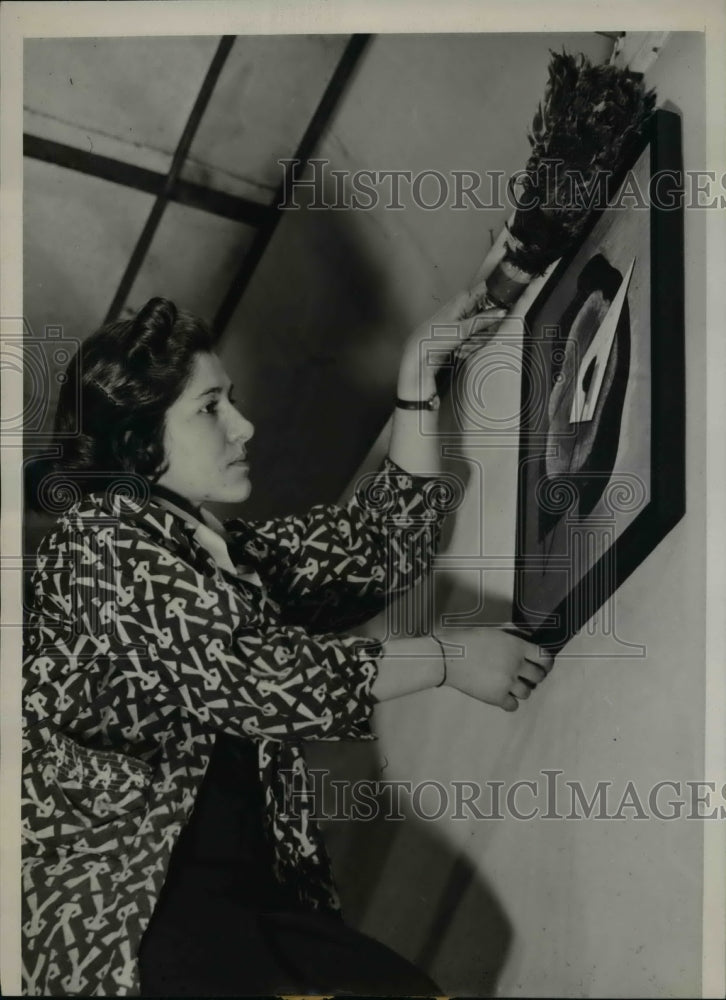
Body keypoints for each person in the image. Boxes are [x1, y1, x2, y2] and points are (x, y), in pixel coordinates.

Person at [21, 294, 553, 996]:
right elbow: (257, 676)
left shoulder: (218, 557)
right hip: (133, 927)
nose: (244, 426)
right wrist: (450, 660)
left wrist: (419, 376)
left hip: (237, 910)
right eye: (210, 408)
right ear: (134, 440)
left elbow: (380, 548)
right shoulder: (97, 542)